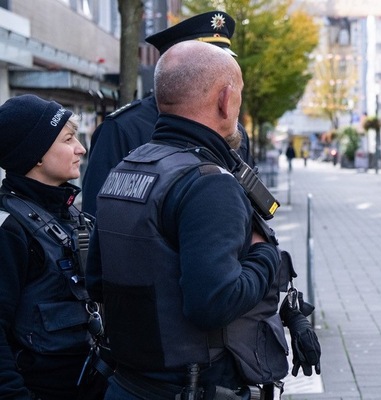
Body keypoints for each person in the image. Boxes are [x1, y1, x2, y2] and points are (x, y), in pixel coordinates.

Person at [84, 41, 316, 399]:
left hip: (130, 382)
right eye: (238, 94)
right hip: (197, 386)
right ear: (225, 99)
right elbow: (214, 303)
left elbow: (97, 280)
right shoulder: (208, 183)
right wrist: (266, 254)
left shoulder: (127, 168)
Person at [81, 11, 253, 217]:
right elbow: (96, 218)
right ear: (174, 67)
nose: (219, 73)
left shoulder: (233, 129)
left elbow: (252, 208)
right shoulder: (123, 128)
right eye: (204, 64)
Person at [0, 95, 106, 399]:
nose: (81, 149)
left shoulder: (74, 216)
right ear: (36, 155)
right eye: (68, 139)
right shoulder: (9, 229)